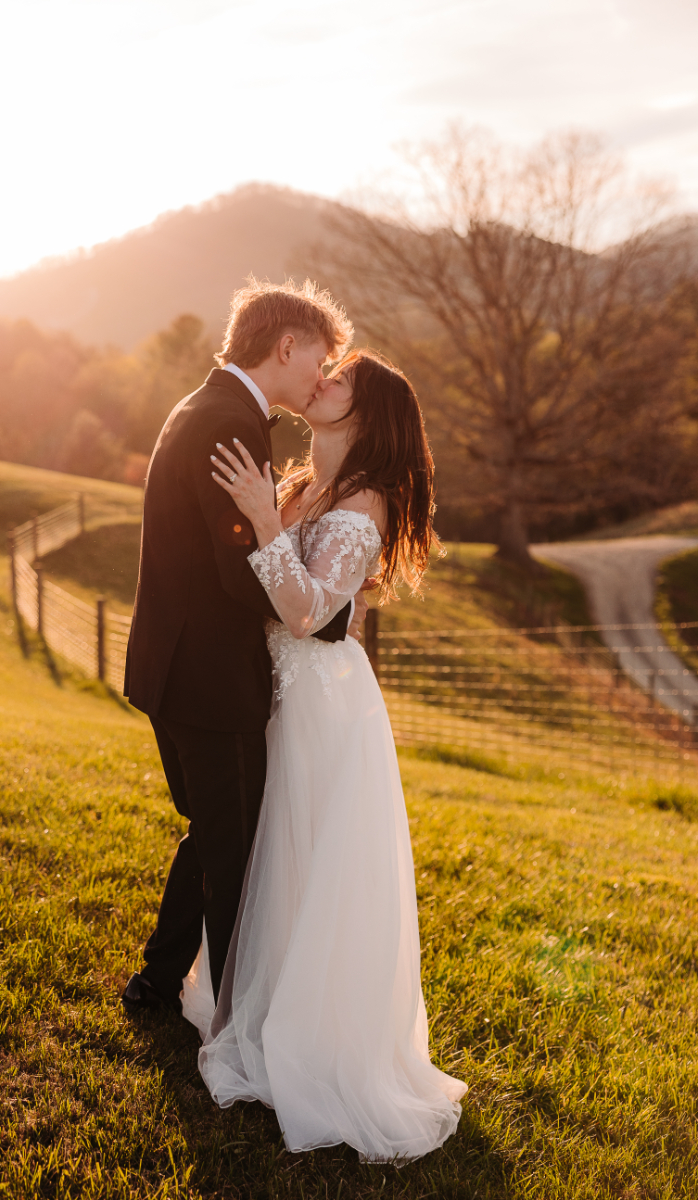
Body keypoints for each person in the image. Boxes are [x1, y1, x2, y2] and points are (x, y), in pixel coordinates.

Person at [181, 349, 467, 1162]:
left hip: (322, 702)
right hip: (271, 693)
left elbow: (307, 614)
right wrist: (272, 511)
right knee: (270, 850)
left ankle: (316, 1040)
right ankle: (259, 1006)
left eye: (340, 377)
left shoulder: (367, 502)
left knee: (310, 860)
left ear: (366, 412)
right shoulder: (306, 484)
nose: (323, 379)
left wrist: (264, 521)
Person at [121, 279, 367, 1013]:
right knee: (232, 856)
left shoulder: (202, 405)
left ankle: (157, 983)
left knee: (211, 835)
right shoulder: (231, 424)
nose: (322, 378)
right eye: (319, 361)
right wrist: (327, 614)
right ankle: (234, 1027)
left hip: (177, 666)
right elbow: (239, 572)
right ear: (285, 346)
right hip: (212, 680)